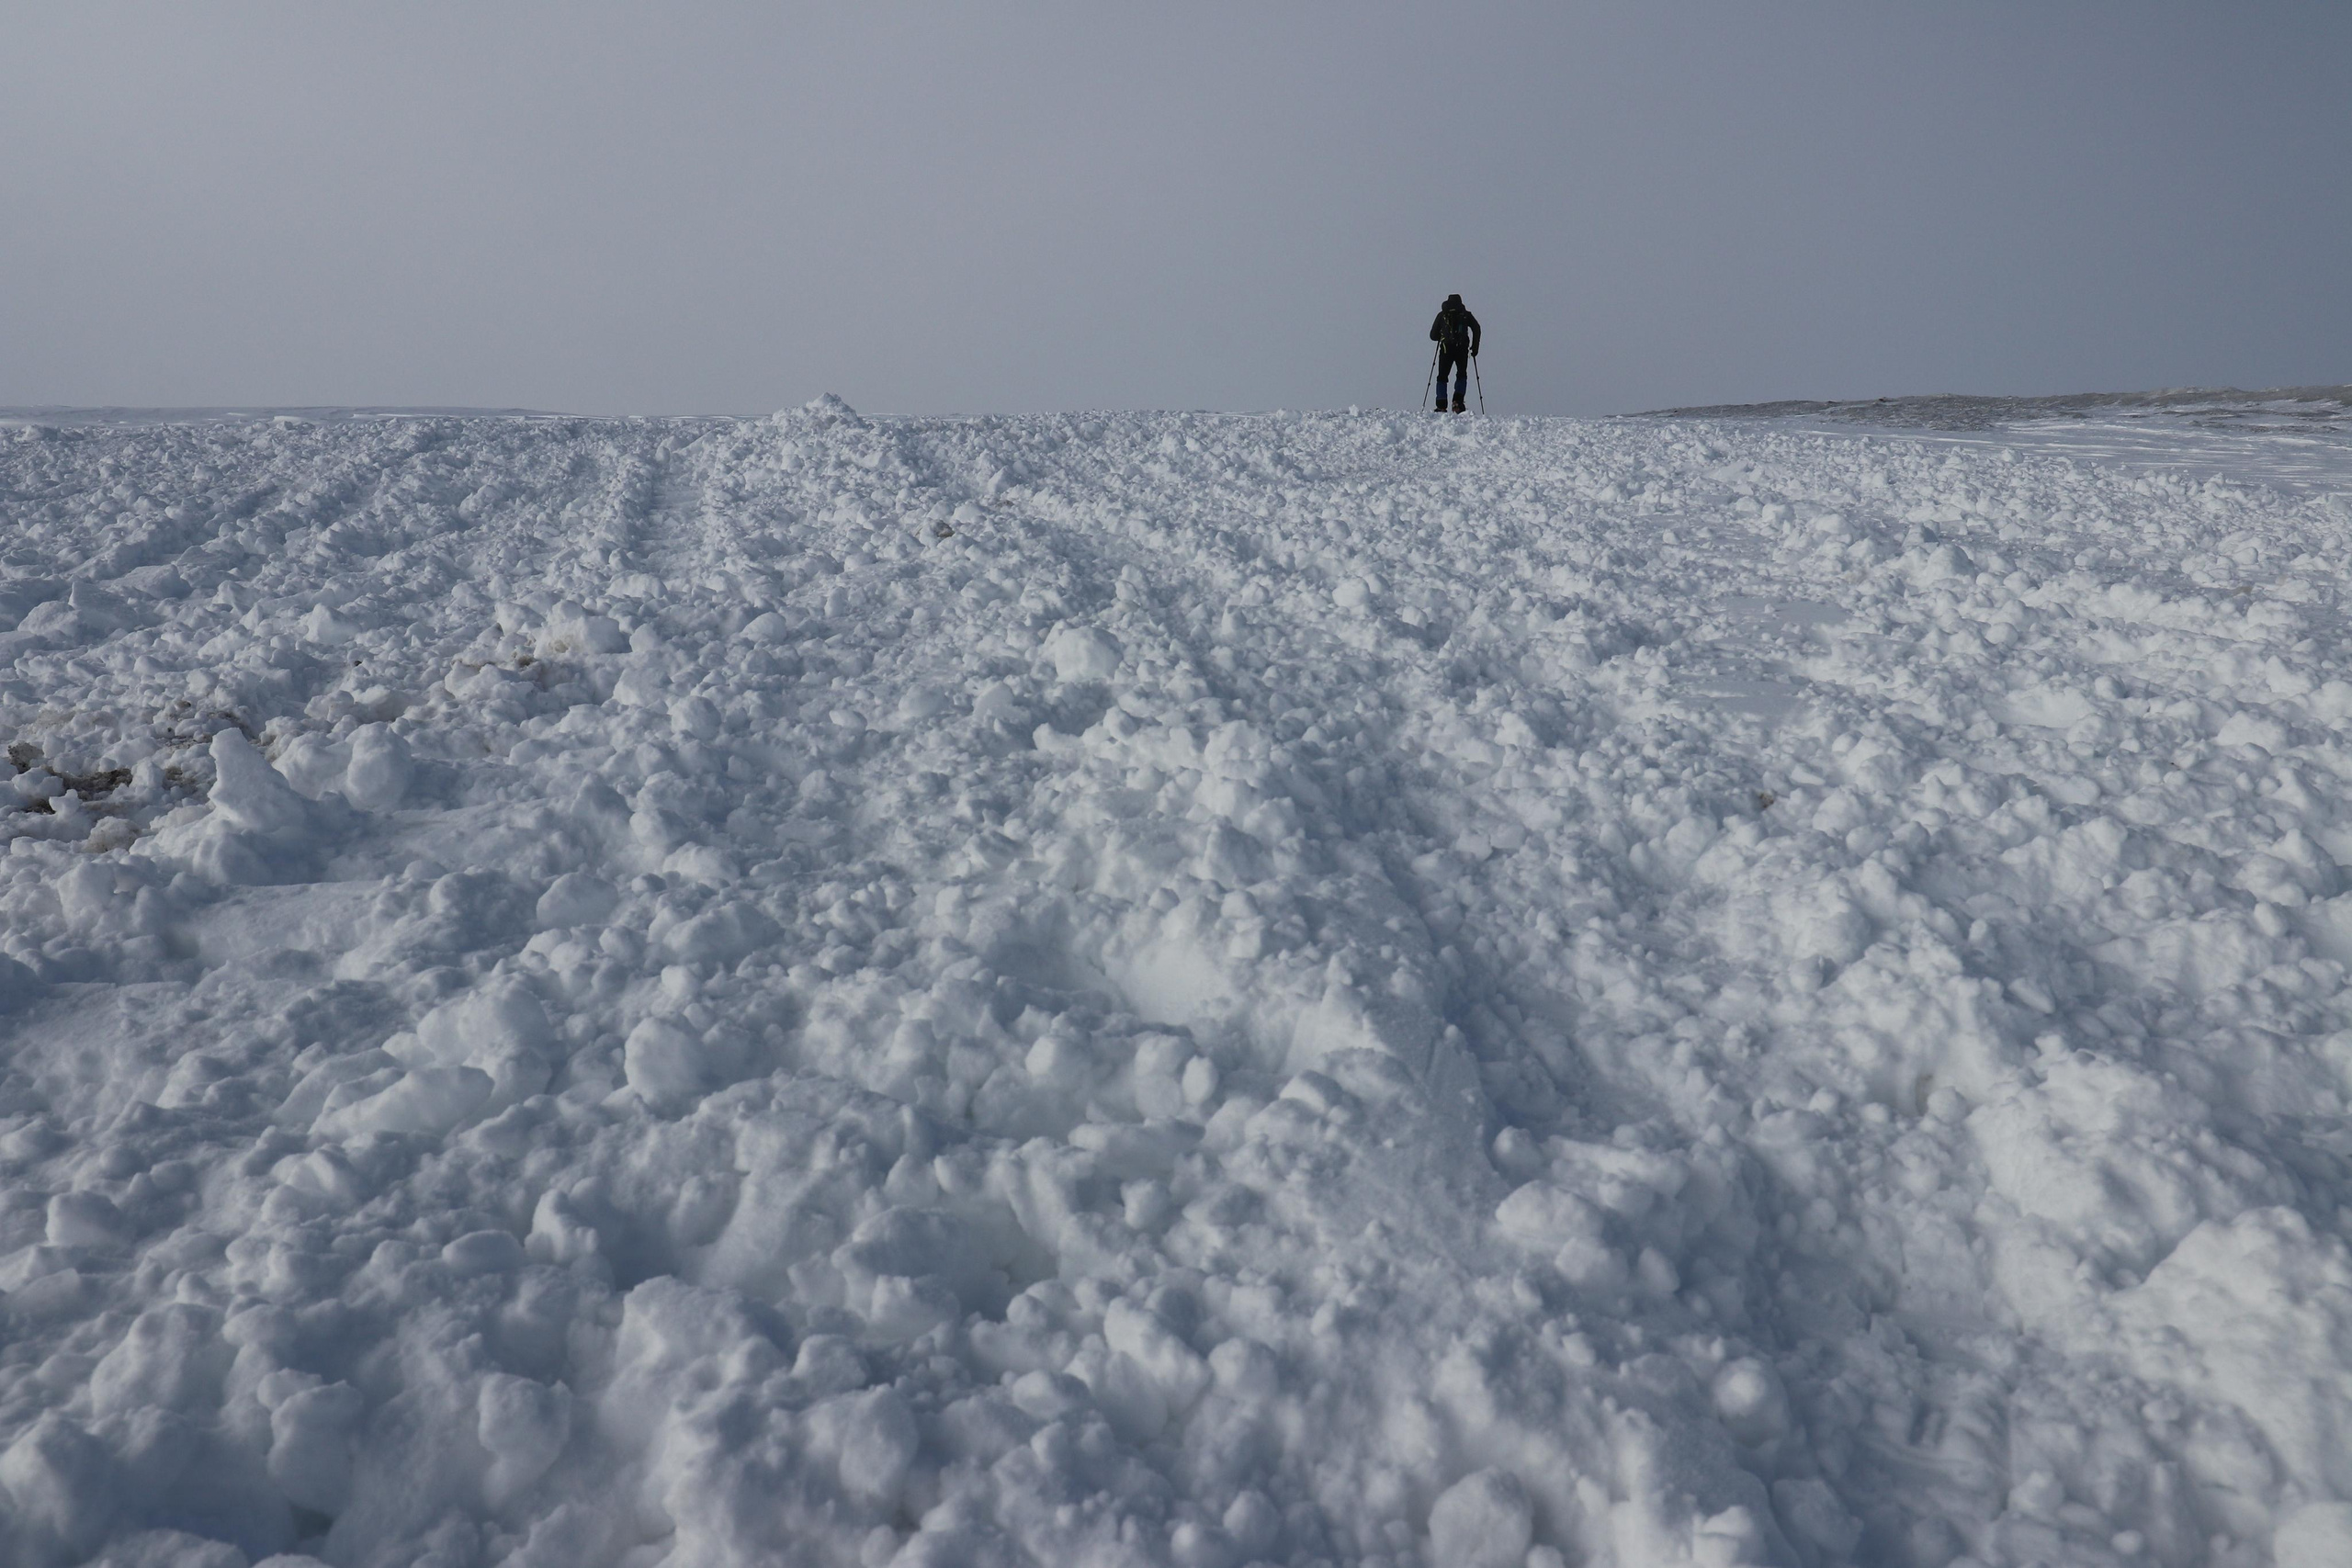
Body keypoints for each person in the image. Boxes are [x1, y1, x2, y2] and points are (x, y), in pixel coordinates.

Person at [1428, 294, 1481, 412]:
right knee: (1461, 374)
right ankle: (1458, 402)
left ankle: (1441, 405)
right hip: (1462, 348)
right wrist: (1475, 347)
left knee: (1442, 376)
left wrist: (1441, 335)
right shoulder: (1466, 314)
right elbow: (1476, 328)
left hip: (1446, 349)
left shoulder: (1442, 315)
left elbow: (1433, 336)